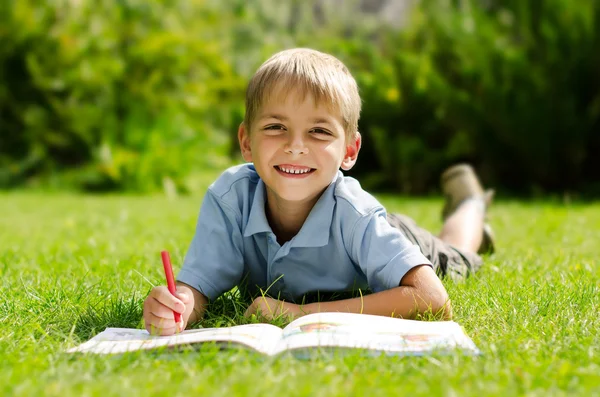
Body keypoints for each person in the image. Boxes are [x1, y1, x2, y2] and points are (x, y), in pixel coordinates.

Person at [143, 48, 494, 336]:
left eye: (319, 132)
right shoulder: (229, 198)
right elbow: (198, 288)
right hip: (371, 238)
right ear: (246, 142)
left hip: (391, 236)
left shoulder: (355, 215)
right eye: (276, 127)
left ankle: (470, 205)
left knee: (457, 251)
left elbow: (433, 299)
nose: (295, 147)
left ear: (350, 151)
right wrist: (178, 305)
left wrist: (302, 313)